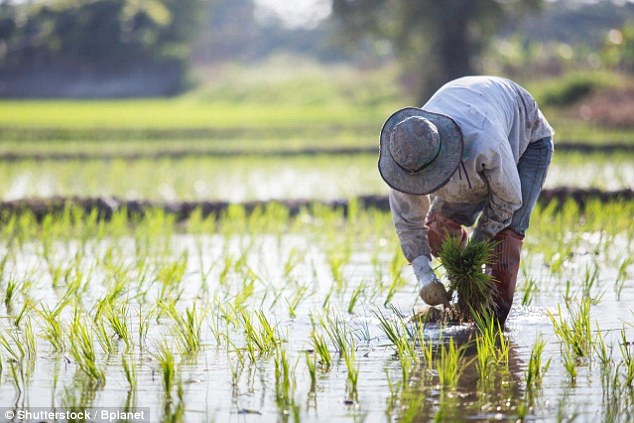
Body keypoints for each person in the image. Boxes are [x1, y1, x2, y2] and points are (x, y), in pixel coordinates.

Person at [378, 76, 554, 325]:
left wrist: (475, 249)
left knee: (502, 244)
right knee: (439, 230)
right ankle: (464, 301)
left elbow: (506, 201)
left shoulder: (483, 142)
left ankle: (491, 324)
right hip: (473, 140)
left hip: (526, 137)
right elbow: (408, 223)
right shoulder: (406, 155)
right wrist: (426, 277)